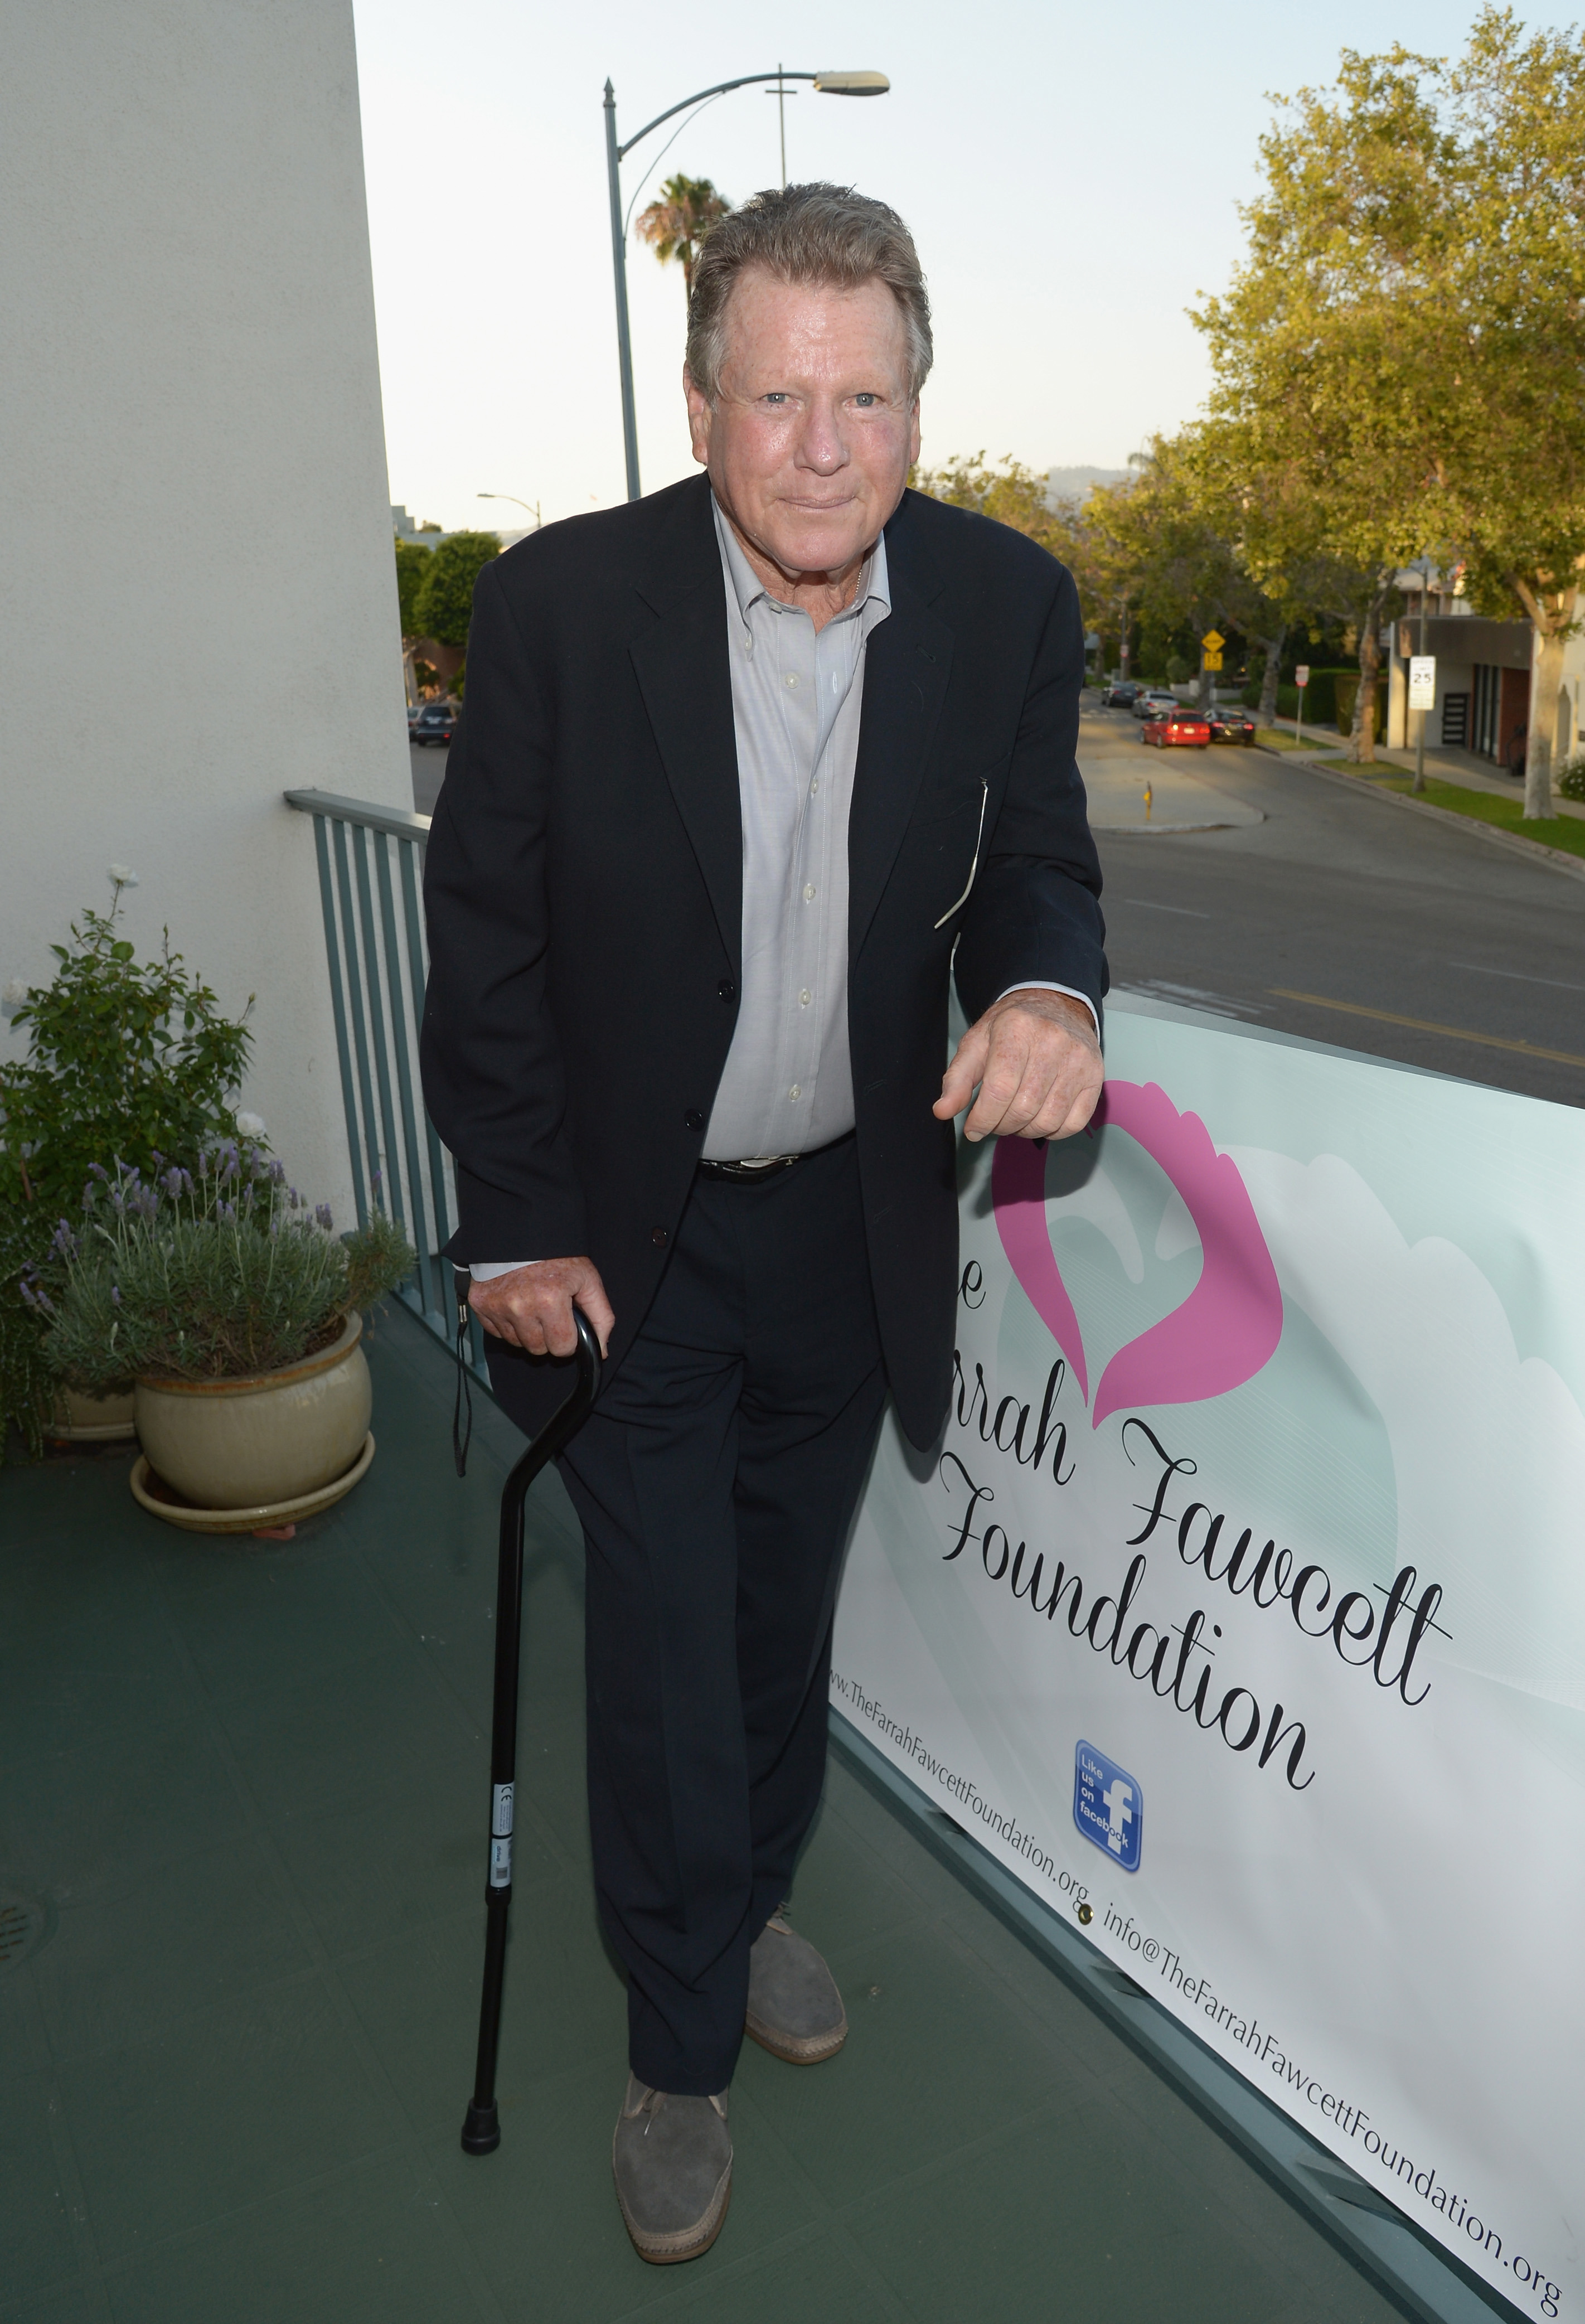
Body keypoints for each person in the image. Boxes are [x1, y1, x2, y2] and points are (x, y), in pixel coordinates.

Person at [420, 182, 1107, 2265]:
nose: (825, 447)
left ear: (920, 408)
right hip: (626, 1238)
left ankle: (738, 1897)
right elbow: (490, 939)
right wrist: (515, 1221)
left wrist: (1051, 990)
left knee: (775, 1618)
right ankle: (677, 2034)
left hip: (850, 1221)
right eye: (780, 396)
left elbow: (1037, 868)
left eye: (868, 399)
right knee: (660, 1648)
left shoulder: (1004, 606)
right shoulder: (559, 604)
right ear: (705, 402)